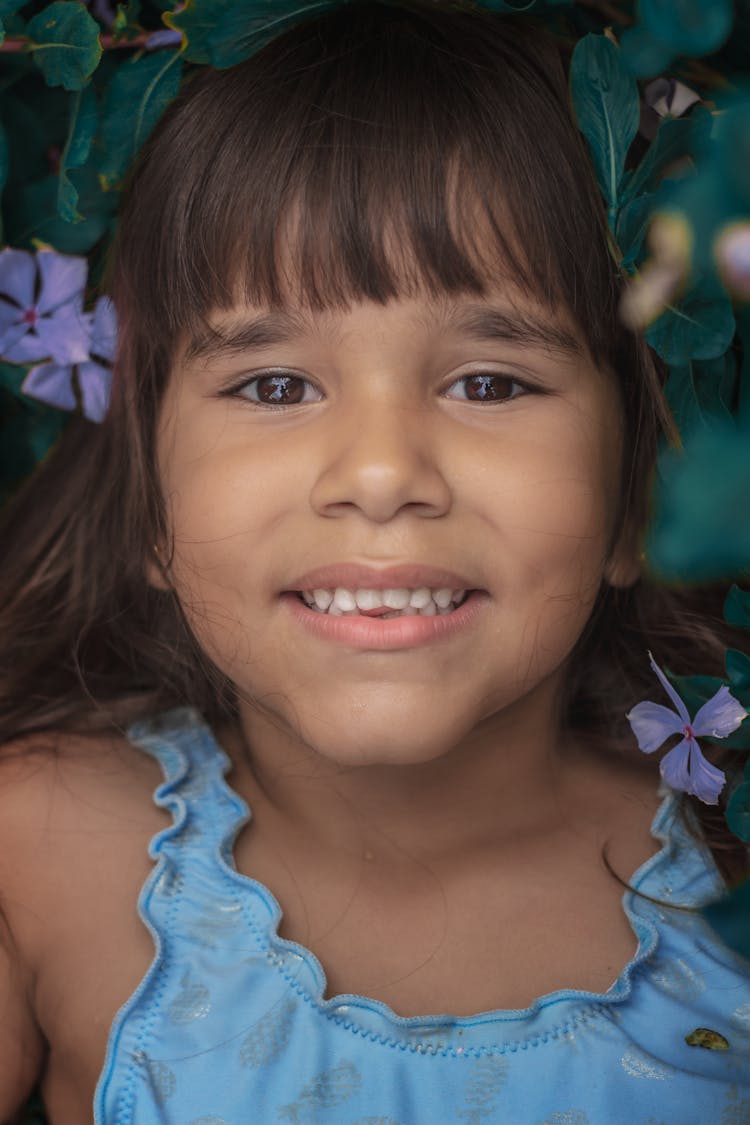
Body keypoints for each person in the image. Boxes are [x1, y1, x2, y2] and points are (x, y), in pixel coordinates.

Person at [0, 2, 748, 1122]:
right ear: (149, 506)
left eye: (489, 382)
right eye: (274, 386)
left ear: (639, 500)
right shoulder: (40, 850)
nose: (383, 472)